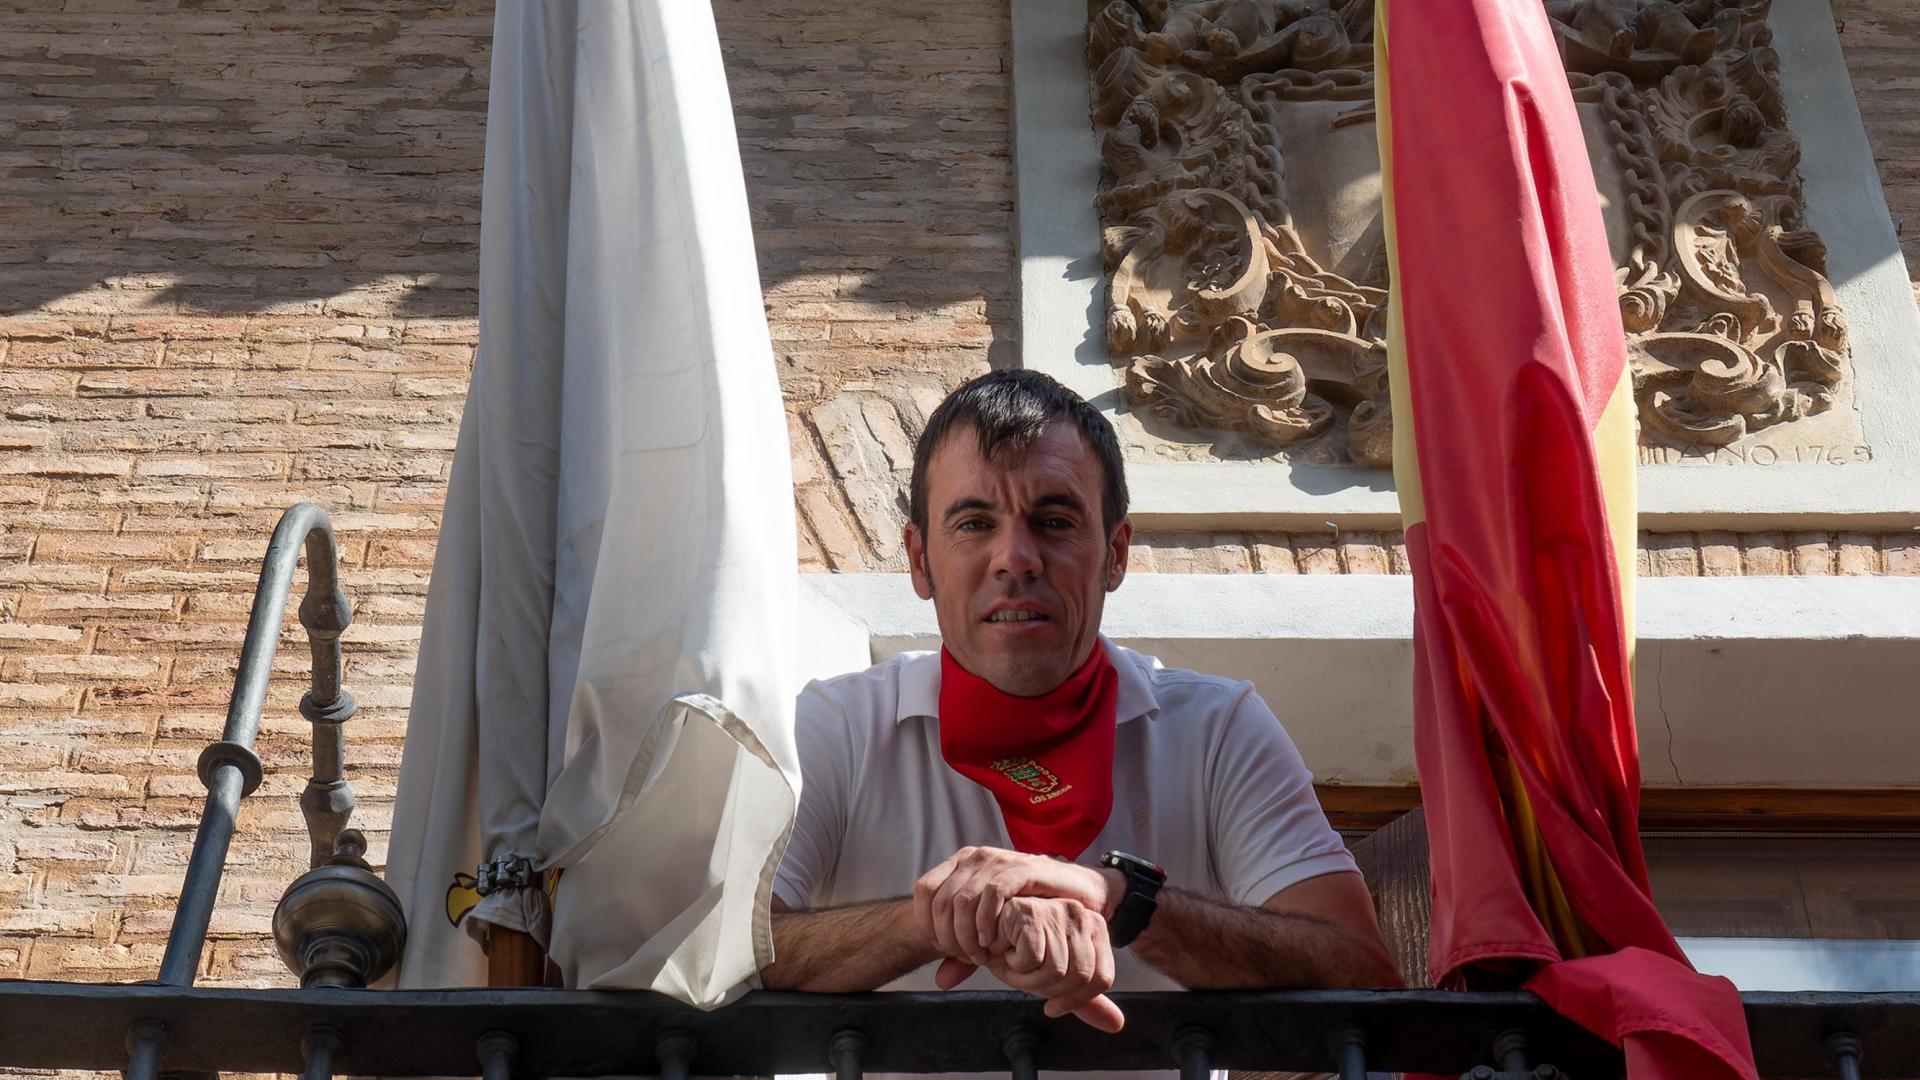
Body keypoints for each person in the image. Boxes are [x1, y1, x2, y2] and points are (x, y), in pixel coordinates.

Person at [759, 370, 1398, 1040]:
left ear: (1115, 555)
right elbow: (721, 950)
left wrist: (1122, 901)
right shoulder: (835, 726)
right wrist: (935, 918)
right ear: (919, 561)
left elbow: (1360, 967)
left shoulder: (1219, 730)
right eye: (974, 523)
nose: (1015, 559)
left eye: (1054, 521)